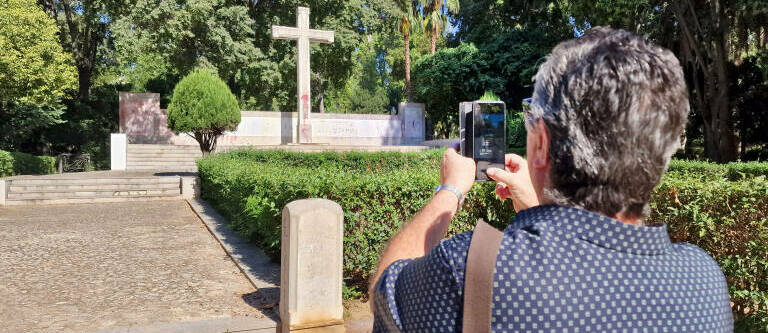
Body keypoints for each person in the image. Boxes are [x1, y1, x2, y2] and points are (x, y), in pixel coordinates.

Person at [369, 27, 733, 332]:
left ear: (541, 143)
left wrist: (448, 191)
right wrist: (543, 203)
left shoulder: (471, 268)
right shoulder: (704, 281)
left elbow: (386, 296)